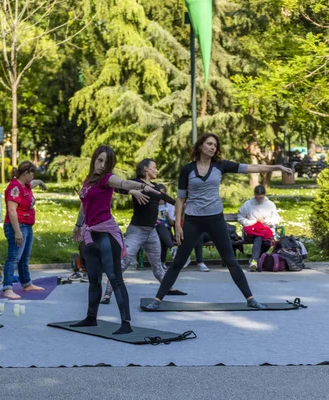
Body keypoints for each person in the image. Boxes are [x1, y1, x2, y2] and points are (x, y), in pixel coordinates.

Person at [144, 133, 293, 311]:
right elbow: (180, 199)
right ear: (200, 146)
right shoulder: (187, 169)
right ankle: (157, 300)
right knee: (177, 263)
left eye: (215, 145)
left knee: (231, 261)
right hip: (193, 221)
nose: (213, 147)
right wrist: (178, 225)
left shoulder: (221, 166)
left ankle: (250, 299)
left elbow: (250, 167)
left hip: (215, 220)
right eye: (209, 144)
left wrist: (276, 166)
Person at [71, 145, 160, 334]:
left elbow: (123, 183)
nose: (102, 165)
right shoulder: (88, 180)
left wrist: (141, 186)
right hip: (90, 234)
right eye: (99, 160)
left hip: (105, 235)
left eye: (106, 162)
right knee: (93, 279)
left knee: (115, 279)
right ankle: (91, 318)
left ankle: (126, 323)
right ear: (94, 159)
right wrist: (79, 225)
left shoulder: (107, 178)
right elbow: (84, 204)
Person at [100, 159, 185, 304]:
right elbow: (119, 187)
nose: (157, 171)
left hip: (151, 232)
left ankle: (168, 288)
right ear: (146, 169)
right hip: (136, 231)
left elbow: (173, 201)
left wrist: (187, 202)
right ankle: (107, 294)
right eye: (154, 167)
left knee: (157, 265)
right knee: (123, 262)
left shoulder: (157, 187)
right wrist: (133, 191)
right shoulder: (135, 182)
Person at [1, 161, 47, 299]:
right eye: (32, 173)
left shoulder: (25, 185)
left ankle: (26, 283)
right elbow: (12, 211)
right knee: (14, 257)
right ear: (26, 173)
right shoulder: (14, 188)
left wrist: (40, 182)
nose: (33, 176)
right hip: (17, 226)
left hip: (27, 225)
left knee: (24, 257)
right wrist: (17, 232)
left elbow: (32, 184)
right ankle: (7, 287)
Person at [237, 185, 281, 271]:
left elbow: (276, 219)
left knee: (266, 243)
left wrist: (265, 221)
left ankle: (254, 260)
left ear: (264, 195)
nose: (259, 200)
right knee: (258, 237)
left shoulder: (270, 205)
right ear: (254, 195)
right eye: (257, 197)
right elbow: (240, 217)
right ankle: (254, 261)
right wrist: (252, 222)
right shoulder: (247, 204)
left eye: (261, 198)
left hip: (266, 232)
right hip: (251, 233)